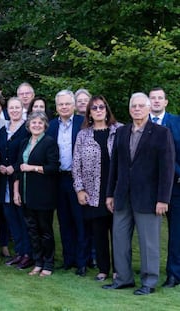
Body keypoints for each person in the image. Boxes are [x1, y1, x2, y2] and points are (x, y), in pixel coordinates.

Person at [103, 92, 175, 295]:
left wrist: (163, 199)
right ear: (129, 108)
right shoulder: (121, 132)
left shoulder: (161, 133)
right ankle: (123, 279)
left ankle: (149, 282)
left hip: (150, 199)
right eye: (133, 106)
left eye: (140, 105)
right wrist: (110, 194)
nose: (136, 109)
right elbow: (114, 167)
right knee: (119, 239)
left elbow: (167, 169)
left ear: (149, 107)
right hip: (122, 197)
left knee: (148, 242)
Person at [72, 95, 122, 281]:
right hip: (93, 192)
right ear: (89, 113)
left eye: (102, 107)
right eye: (94, 108)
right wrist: (79, 189)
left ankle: (119, 269)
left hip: (116, 190)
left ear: (107, 110)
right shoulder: (83, 135)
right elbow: (76, 165)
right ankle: (103, 269)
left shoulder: (120, 131)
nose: (99, 110)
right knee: (99, 233)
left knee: (118, 233)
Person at [13, 112, 59, 277]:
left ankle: (48, 263)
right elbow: (19, 167)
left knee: (45, 230)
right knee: (32, 230)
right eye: (34, 123)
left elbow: (54, 167)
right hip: (26, 193)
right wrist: (16, 191)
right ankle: (38, 262)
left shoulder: (49, 142)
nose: (37, 125)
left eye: (40, 123)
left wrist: (33, 168)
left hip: (43, 194)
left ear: (45, 125)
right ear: (29, 125)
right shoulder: (25, 142)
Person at [46, 90, 86, 276]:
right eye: (60, 104)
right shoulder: (52, 126)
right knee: (63, 221)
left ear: (74, 106)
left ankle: (82, 261)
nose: (64, 107)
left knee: (80, 221)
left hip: (78, 179)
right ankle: (68, 259)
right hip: (57, 179)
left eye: (67, 104)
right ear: (56, 107)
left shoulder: (83, 123)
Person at [0, 97, 32, 267]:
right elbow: (0, 152)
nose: (14, 110)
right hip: (5, 182)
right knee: (11, 218)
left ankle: (28, 253)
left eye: (17, 107)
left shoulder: (27, 129)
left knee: (23, 218)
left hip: (20, 180)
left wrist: (14, 167)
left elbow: (28, 153)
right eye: (11, 108)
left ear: (22, 109)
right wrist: (0, 167)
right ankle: (19, 252)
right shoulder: (3, 130)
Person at [165, 114, 180, 288]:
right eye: (153, 98)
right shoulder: (140, 122)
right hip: (149, 189)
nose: (156, 101)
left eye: (160, 98)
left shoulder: (176, 122)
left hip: (176, 187)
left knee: (176, 233)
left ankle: (174, 273)